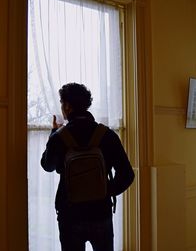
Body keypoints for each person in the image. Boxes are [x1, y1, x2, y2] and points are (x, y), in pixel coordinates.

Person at [41, 82, 135, 251]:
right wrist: (105, 190)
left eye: (62, 103)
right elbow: (127, 175)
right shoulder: (107, 135)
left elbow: (47, 165)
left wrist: (54, 132)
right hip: (100, 213)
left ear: (68, 106)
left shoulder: (60, 137)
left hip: (70, 215)